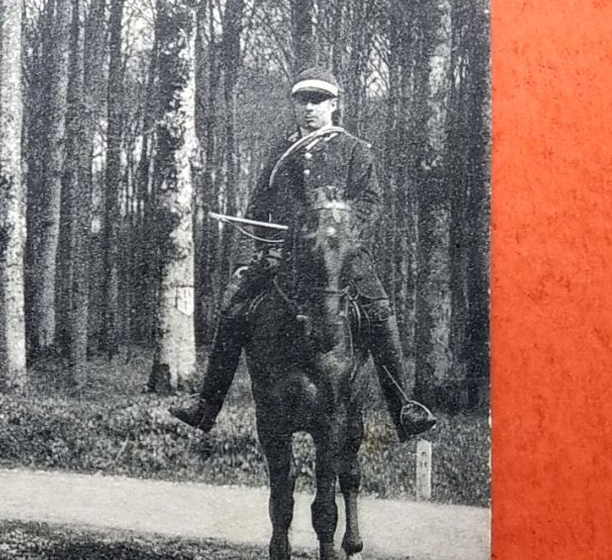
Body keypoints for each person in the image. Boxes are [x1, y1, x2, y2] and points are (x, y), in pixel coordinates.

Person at [168, 66, 437, 442]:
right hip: (285, 256)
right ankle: (206, 405)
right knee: (234, 308)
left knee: (379, 312)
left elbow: (371, 202)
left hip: (339, 256)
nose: (310, 108)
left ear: (334, 105)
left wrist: (339, 230)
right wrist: (258, 253)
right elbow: (257, 208)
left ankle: (403, 408)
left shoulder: (355, 150)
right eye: (303, 100)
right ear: (294, 105)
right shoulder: (281, 152)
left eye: (319, 100)